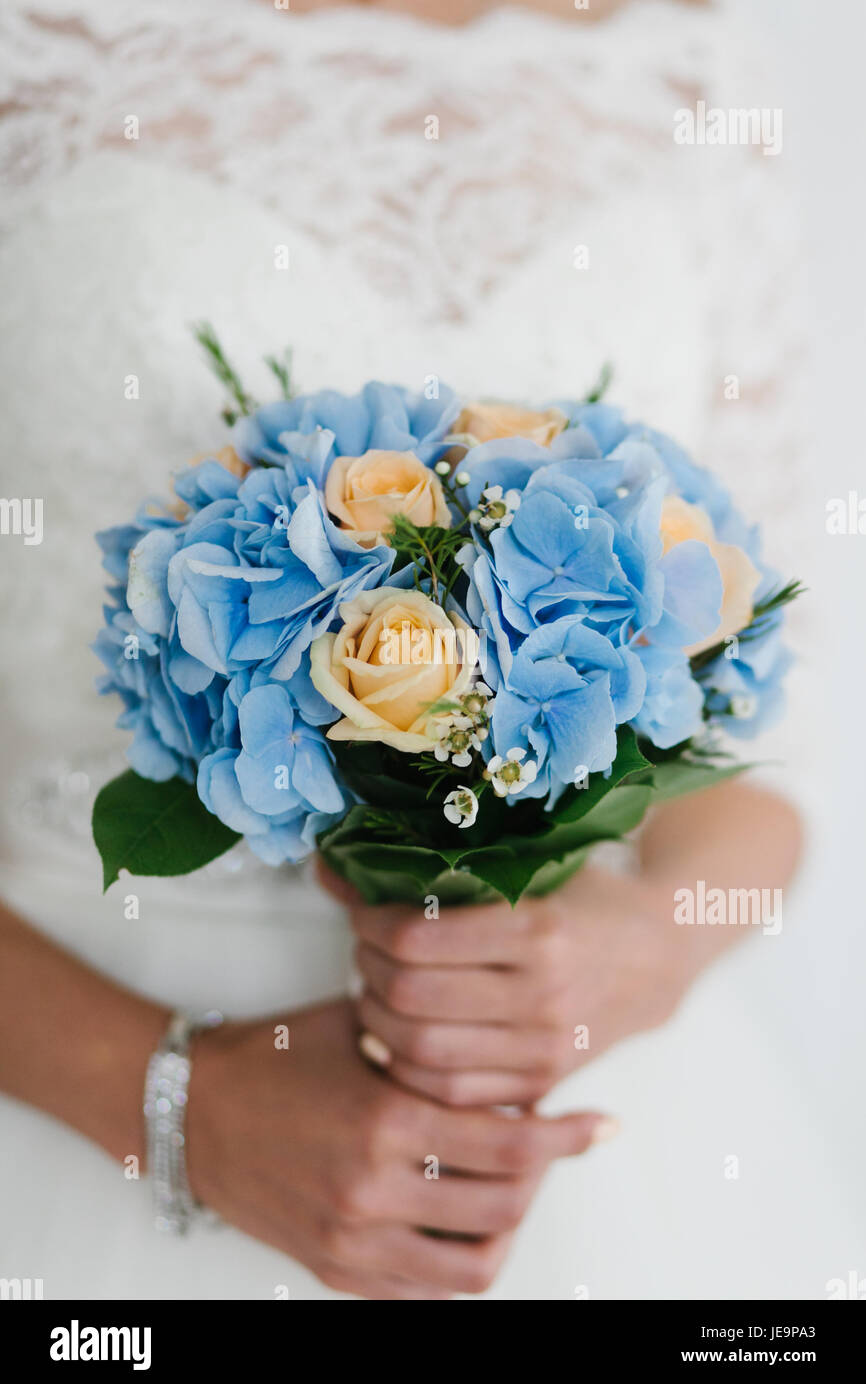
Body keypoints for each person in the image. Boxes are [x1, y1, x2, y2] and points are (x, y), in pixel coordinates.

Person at [0, 0, 855, 1299]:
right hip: (71, 1085)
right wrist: (174, 1103)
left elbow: (753, 757)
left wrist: (645, 943)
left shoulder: (691, 66)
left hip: (590, 1147)